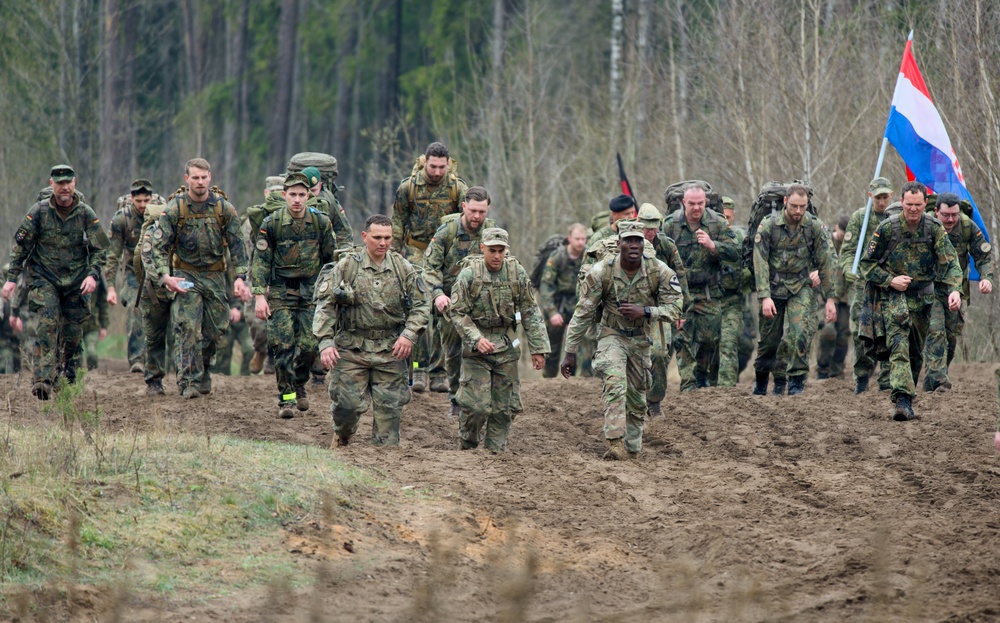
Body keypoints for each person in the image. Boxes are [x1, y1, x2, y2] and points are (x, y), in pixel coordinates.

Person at [562, 221, 683, 459]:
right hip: (611, 334)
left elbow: (676, 307)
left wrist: (647, 311)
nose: (634, 245)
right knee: (616, 384)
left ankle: (632, 447)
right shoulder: (601, 272)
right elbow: (583, 312)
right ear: (619, 245)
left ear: (644, 244)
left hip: (640, 337)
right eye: (628, 240)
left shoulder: (659, 270)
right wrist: (570, 351)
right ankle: (615, 444)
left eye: (638, 240)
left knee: (637, 397)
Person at [314, 214, 430, 446]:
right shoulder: (347, 266)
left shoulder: (402, 267)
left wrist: (408, 335)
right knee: (346, 409)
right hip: (351, 348)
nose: (383, 243)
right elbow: (325, 305)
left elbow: (422, 305)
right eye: (377, 237)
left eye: (387, 238)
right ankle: (342, 435)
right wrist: (325, 342)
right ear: (365, 237)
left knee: (389, 423)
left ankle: (383, 467)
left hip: (390, 350)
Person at [2, 165, 109, 399]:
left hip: (76, 282)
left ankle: (64, 375)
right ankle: (42, 379)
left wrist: (93, 275)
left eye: (68, 182)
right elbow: (20, 248)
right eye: (59, 183)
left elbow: (101, 250)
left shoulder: (86, 214)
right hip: (44, 278)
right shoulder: (38, 212)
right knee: (48, 324)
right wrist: (11, 280)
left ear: (75, 183)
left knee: (72, 334)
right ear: (51, 184)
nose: (64, 187)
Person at [147, 158, 250, 399]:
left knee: (216, 330)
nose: (200, 182)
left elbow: (237, 246)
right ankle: (188, 381)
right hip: (186, 275)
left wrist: (241, 277)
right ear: (187, 179)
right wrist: (165, 276)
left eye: (204, 177)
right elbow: (159, 247)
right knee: (188, 329)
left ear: (210, 178)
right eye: (195, 177)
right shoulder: (175, 209)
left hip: (215, 276)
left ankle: (203, 370)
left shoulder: (224, 208)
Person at [859, 181, 962, 421]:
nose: (913, 209)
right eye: (908, 204)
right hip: (894, 297)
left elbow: (950, 263)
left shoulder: (934, 229)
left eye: (918, 205)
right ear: (902, 203)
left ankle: (907, 394)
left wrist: (955, 290)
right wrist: (890, 280)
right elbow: (867, 264)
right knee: (899, 346)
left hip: (924, 298)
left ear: (926, 204)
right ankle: (902, 400)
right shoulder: (887, 229)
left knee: (916, 353)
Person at [449, 228, 549, 452]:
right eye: (491, 250)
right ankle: (468, 444)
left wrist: (538, 348)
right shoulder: (469, 276)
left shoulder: (516, 273)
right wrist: (476, 339)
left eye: (500, 250)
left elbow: (530, 310)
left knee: (505, 407)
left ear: (506, 250)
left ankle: (495, 452)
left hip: (506, 344)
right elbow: (456, 312)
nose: (496, 255)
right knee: (477, 407)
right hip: (477, 350)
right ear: (482, 248)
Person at [251, 172, 337, 418]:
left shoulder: (320, 223)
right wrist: (259, 295)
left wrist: (330, 291)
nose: (297, 200)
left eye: (302, 195)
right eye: (293, 195)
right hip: (281, 292)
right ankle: (286, 399)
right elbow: (261, 262)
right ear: (284, 195)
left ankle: (299, 381)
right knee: (283, 346)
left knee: (311, 346)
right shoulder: (272, 224)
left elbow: (330, 259)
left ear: (308, 196)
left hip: (311, 293)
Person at [391, 141, 468, 393]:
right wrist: (393, 256)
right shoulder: (408, 188)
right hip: (417, 251)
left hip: (446, 256)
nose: (437, 172)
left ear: (448, 165)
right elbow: (398, 223)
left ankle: (439, 370)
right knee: (420, 309)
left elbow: (464, 225)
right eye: (433, 166)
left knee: (444, 313)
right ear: (425, 162)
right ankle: (419, 368)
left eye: (441, 167)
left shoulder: (458, 188)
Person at [751, 184, 838, 396]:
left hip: (801, 286)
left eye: (803, 206)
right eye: (794, 206)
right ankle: (761, 381)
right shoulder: (769, 225)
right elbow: (760, 261)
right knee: (769, 342)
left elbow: (828, 260)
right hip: (773, 288)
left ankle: (797, 383)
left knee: (801, 333)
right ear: (785, 202)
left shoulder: (814, 226)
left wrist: (830, 298)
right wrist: (764, 297)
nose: (798, 211)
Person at [422, 185, 495, 417]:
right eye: (473, 211)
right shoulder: (447, 232)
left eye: (482, 212)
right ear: (464, 206)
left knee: (486, 350)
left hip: (482, 303)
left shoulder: (492, 232)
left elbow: (503, 263)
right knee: (453, 352)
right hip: (451, 304)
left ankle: (484, 397)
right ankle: (455, 397)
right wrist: (437, 294)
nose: (477, 217)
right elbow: (430, 267)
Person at [664, 184, 740, 391]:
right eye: (692, 204)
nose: (696, 208)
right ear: (683, 203)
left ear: (705, 202)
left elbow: (736, 252)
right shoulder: (671, 225)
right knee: (682, 339)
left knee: (710, 340)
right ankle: (688, 385)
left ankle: (700, 374)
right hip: (680, 294)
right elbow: (659, 257)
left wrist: (713, 245)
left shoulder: (717, 223)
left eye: (700, 203)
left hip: (709, 293)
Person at [921, 192, 994, 391]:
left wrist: (986, 278)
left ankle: (933, 377)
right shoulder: (925, 225)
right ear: (936, 211)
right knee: (935, 331)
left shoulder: (967, 226)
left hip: (956, 289)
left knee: (951, 337)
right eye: (946, 215)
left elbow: (983, 256)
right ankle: (939, 380)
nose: (951, 219)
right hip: (929, 288)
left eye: (954, 215)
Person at [841, 177, 895, 393]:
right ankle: (862, 377)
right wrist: (848, 269)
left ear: (890, 196)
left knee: (890, 331)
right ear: (870, 196)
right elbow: (847, 250)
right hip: (864, 283)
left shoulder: (896, 217)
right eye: (878, 198)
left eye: (885, 197)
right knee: (860, 332)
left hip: (889, 283)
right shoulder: (860, 218)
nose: (881, 202)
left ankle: (886, 380)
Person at [637, 204, 689, 414]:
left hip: (659, 308)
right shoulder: (623, 243)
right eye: (645, 227)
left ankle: (655, 401)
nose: (649, 232)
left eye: (653, 228)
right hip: (629, 308)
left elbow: (680, 276)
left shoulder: (666, 245)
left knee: (659, 355)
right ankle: (630, 400)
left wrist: (680, 310)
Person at [106, 179, 157, 373]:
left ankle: (161, 361)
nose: (143, 205)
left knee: (160, 313)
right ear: (131, 199)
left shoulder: (161, 215)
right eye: (139, 201)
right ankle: (137, 359)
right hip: (131, 273)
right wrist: (111, 287)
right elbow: (112, 255)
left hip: (157, 271)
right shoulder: (122, 219)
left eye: (147, 200)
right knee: (136, 308)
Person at [242, 174, 286, 375]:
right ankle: (260, 350)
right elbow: (244, 252)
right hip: (257, 277)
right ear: (266, 193)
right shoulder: (254, 219)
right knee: (257, 324)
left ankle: (273, 360)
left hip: (282, 280)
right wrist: (243, 279)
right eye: (273, 193)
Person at [538, 223, 587, 378]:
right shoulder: (557, 257)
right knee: (552, 346)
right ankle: (549, 379)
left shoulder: (588, 257)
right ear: (569, 239)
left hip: (579, 304)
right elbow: (546, 287)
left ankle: (576, 380)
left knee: (581, 345)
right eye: (577, 239)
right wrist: (552, 312)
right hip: (558, 304)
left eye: (583, 239)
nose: (580, 242)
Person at [716, 196, 755, 386]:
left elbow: (752, 267)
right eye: (721, 217)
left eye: (728, 217)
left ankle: (726, 390)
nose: (725, 221)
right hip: (707, 300)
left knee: (730, 344)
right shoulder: (705, 236)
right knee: (707, 347)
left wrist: (739, 277)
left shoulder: (741, 238)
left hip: (733, 299)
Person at [815, 214, 852, 380]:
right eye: (843, 234)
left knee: (843, 334)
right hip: (825, 296)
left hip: (844, 297)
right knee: (828, 331)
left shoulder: (852, 245)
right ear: (837, 228)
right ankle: (822, 370)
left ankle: (837, 371)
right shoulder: (826, 242)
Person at [300, 165, 354, 251]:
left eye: (313, 190)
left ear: (320, 186)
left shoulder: (330, 204)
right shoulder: (292, 203)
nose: (310, 195)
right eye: (306, 191)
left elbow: (344, 234)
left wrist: (343, 254)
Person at [82, 278, 109, 370]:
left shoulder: (97, 276)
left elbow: (103, 304)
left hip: (93, 324)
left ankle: (93, 376)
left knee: (92, 354)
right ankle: (75, 381)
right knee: (75, 358)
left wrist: (104, 326)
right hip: (74, 324)